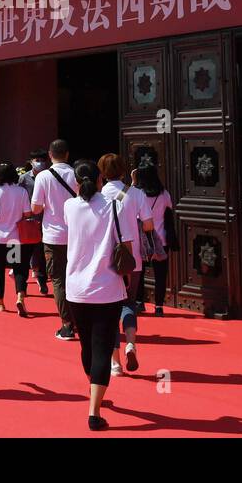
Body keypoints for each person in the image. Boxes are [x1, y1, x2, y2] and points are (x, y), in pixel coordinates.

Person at [65, 159, 137, 431]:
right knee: (102, 348)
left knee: (87, 346)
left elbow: (79, 198)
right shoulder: (113, 205)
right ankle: (94, 411)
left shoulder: (69, 206)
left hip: (76, 289)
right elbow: (126, 243)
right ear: (100, 181)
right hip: (107, 288)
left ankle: (93, 388)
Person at [100, 154, 154, 376]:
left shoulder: (100, 195)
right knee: (129, 303)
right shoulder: (137, 194)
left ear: (102, 173)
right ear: (123, 171)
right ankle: (131, 342)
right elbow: (149, 224)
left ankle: (115, 363)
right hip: (131, 258)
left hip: (106, 258)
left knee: (110, 310)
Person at [31, 138, 77, 340]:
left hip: (53, 235)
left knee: (58, 279)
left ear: (50, 155)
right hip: (76, 234)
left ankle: (67, 324)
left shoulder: (43, 177)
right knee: (75, 277)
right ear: (67, 154)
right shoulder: (76, 174)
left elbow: (36, 208)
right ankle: (81, 319)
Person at [0, 162, 33, 316]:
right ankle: (20, 297)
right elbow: (28, 214)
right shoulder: (21, 192)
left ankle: (0, 302)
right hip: (14, 238)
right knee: (18, 268)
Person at [135, 166, 173, 315]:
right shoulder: (164, 194)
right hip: (161, 239)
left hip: (143, 240)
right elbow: (169, 209)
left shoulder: (139, 194)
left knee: (140, 272)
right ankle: (158, 306)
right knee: (161, 275)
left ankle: (139, 302)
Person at [18, 149, 50, 295]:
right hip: (29, 220)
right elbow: (18, 198)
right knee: (26, 251)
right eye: (36, 160)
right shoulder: (24, 179)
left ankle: (42, 280)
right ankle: (21, 284)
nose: (39, 163)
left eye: (42, 160)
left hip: (46, 219)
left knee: (42, 250)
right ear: (31, 162)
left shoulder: (49, 177)